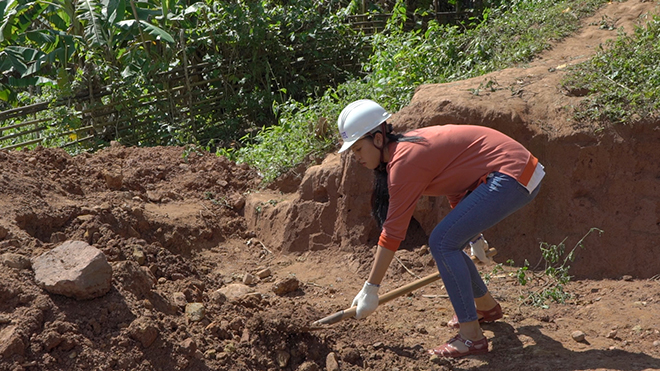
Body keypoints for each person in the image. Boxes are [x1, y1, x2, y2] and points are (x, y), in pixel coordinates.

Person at [338, 99, 544, 358]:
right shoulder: (407, 150)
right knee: (450, 241)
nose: (356, 158)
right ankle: (485, 308)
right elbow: (457, 187)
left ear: (378, 139)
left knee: (442, 242)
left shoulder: (404, 162)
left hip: (511, 175)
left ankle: (471, 339)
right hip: (518, 172)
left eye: (358, 149)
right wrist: (474, 237)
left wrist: (371, 288)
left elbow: (392, 233)